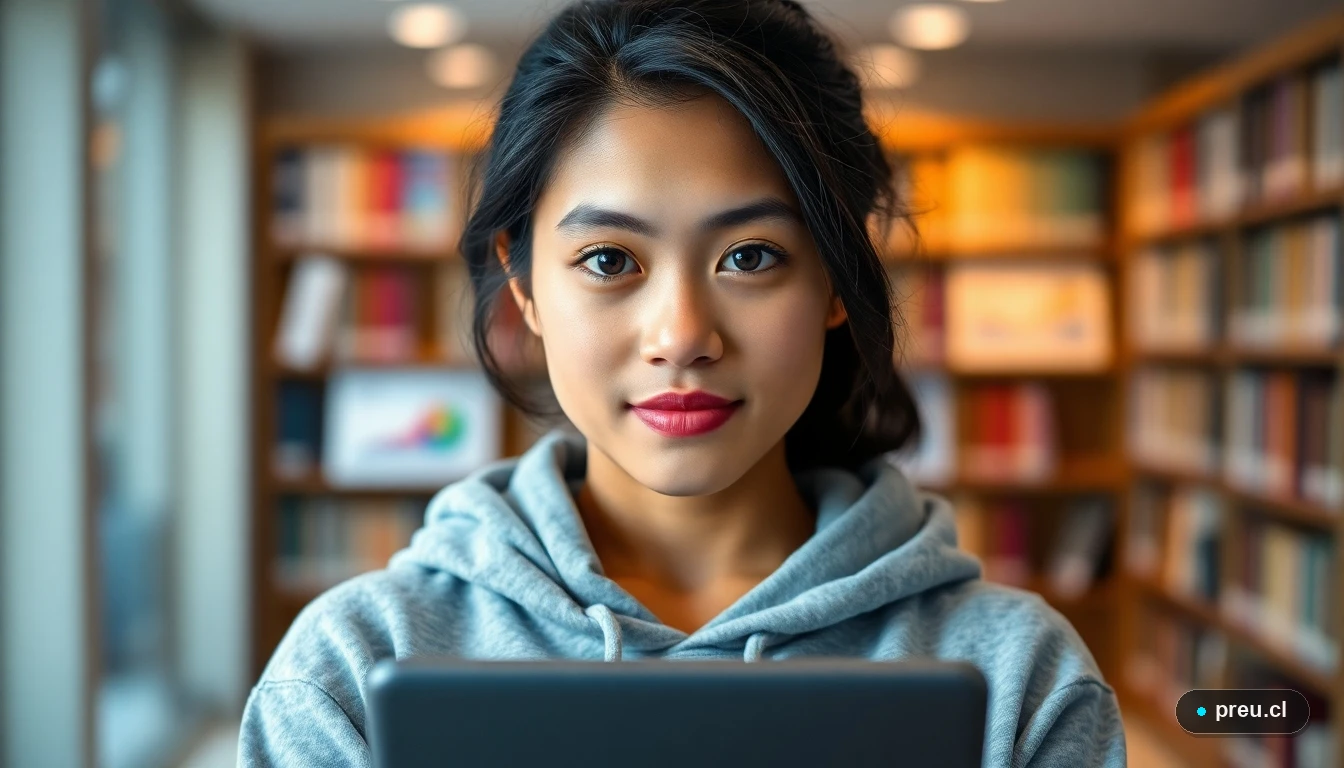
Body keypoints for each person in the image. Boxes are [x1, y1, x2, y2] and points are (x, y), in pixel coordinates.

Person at [238, 0, 1127, 764]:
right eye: (609, 259)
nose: (682, 337)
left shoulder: (1019, 679)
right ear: (523, 285)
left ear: (834, 278)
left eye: (750, 256)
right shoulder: (351, 670)